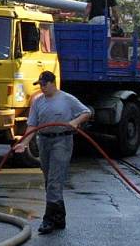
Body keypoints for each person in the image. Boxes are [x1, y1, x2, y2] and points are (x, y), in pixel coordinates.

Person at [14, 70, 92, 235]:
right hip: (44, 141)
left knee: (55, 180)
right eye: (39, 85)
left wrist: (75, 122)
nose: (41, 88)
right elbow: (32, 125)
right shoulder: (37, 101)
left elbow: (86, 112)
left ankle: (48, 219)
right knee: (49, 179)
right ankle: (59, 217)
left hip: (61, 141)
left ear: (52, 83)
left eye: (43, 84)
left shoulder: (67, 99)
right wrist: (24, 143)